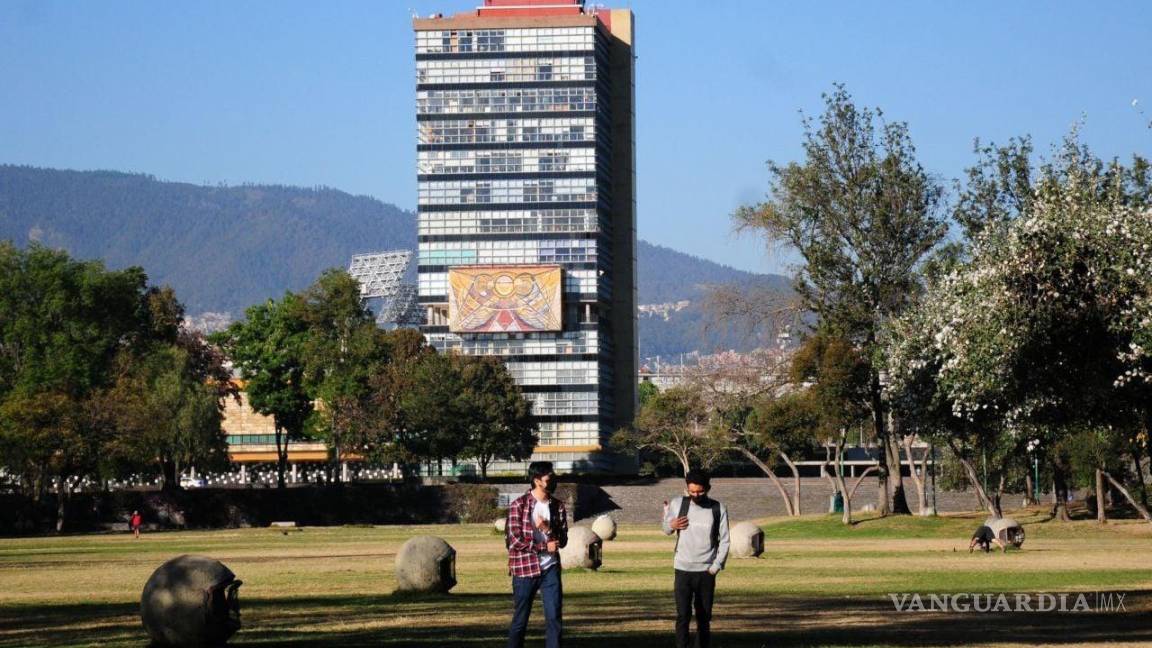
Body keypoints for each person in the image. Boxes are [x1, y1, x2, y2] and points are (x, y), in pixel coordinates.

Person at [662, 470, 730, 648]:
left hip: (706, 572)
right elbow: (666, 528)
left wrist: (715, 567)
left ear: (708, 488)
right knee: (683, 615)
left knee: (704, 617)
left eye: (700, 491)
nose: (695, 495)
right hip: (683, 570)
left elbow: (725, 540)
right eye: (691, 491)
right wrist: (671, 524)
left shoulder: (718, 509)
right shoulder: (678, 504)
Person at [505, 461, 568, 648]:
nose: (553, 479)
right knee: (520, 620)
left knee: (554, 617)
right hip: (524, 570)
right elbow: (514, 541)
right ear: (537, 480)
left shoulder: (557, 506)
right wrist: (542, 547)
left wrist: (547, 529)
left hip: (550, 569)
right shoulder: (519, 505)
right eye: (549, 476)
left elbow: (562, 541)